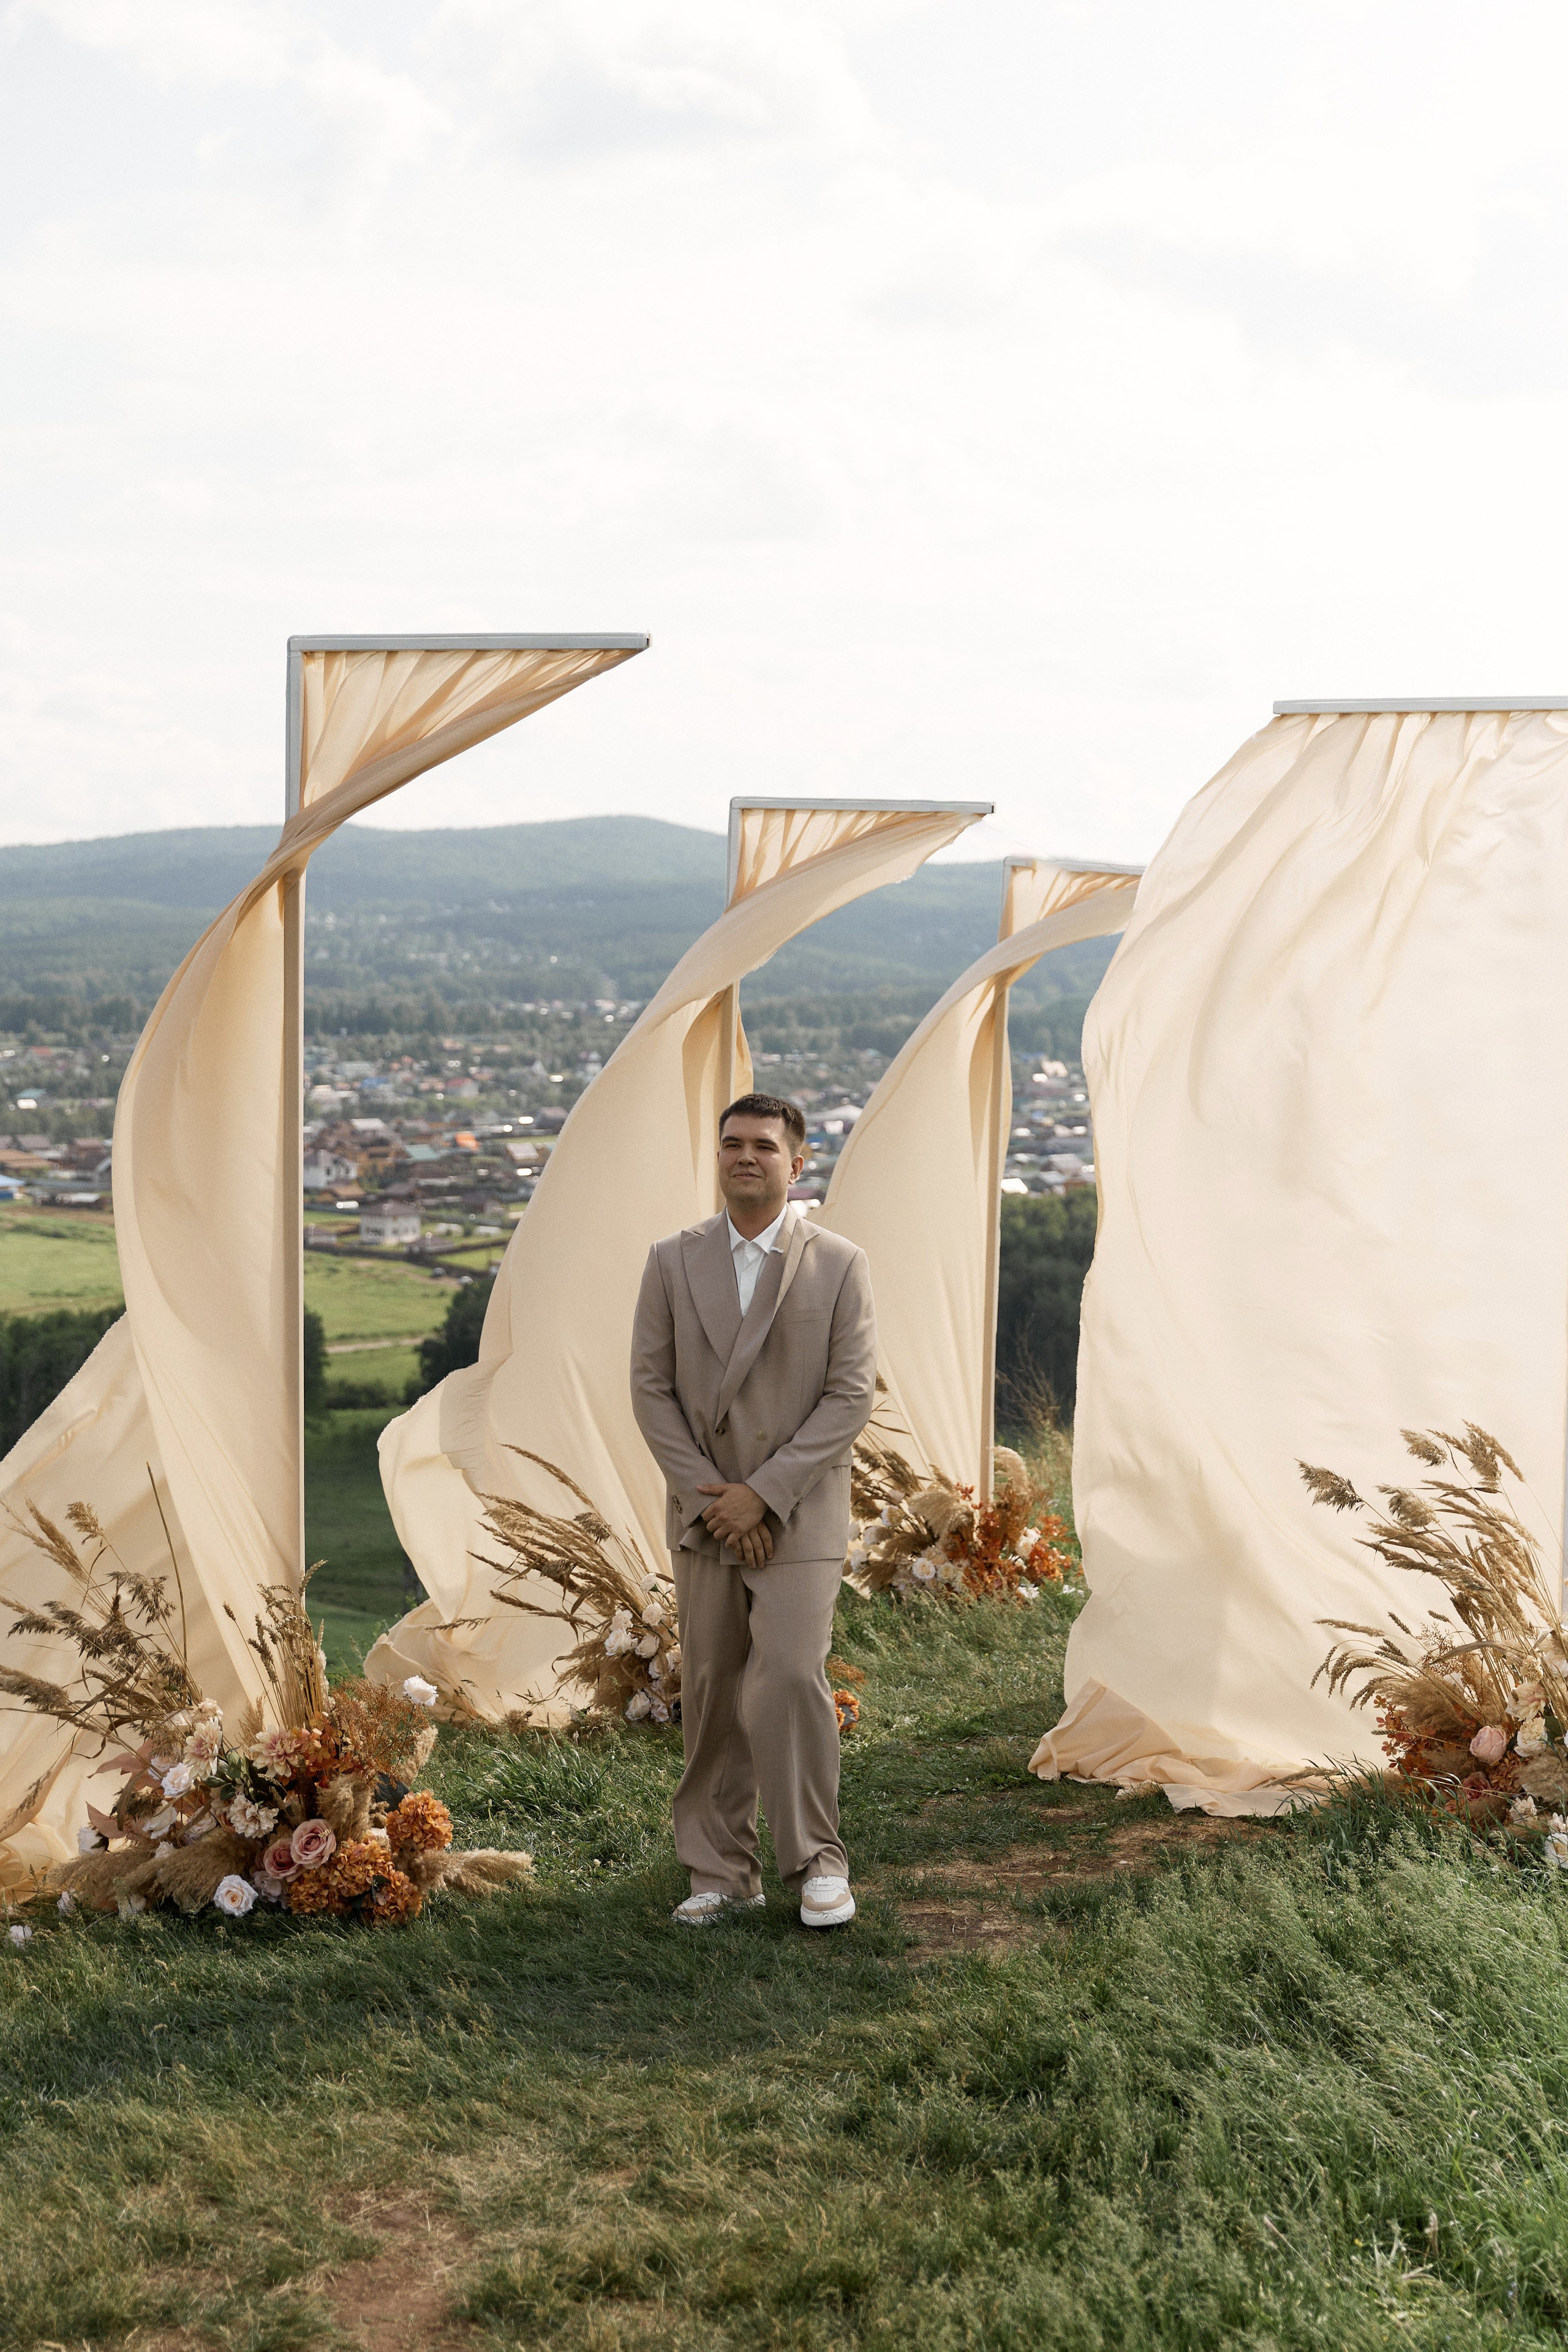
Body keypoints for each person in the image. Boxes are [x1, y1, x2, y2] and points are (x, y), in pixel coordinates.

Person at [630, 1091, 876, 1929]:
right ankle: (719, 1871)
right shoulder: (670, 1260)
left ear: (797, 1162)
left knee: (788, 1677)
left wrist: (763, 1495)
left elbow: (850, 1397)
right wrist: (716, 1500)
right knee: (710, 1686)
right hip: (706, 1514)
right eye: (732, 1142)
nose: (746, 1156)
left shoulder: (839, 1263)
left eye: (764, 1146)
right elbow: (650, 1390)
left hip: (798, 1516)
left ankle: (817, 1861)